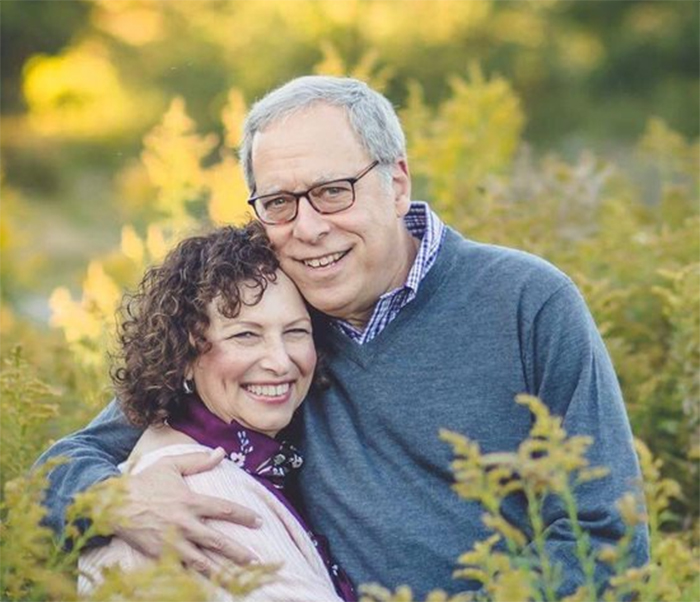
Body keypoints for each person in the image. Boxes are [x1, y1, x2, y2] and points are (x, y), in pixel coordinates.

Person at [35, 75, 648, 598]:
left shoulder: (526, 301)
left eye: (333, 192)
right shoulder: (273, 312)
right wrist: (113, 501)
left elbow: (606, 536)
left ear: (398, 182)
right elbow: (65, 464)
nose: (307, 228)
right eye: (278, 202)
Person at [76, 223, 353, 601]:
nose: (280, 361)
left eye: (295, 332)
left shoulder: (223, 458)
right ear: (185, 355)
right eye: (245, 335)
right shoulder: (199, 495)